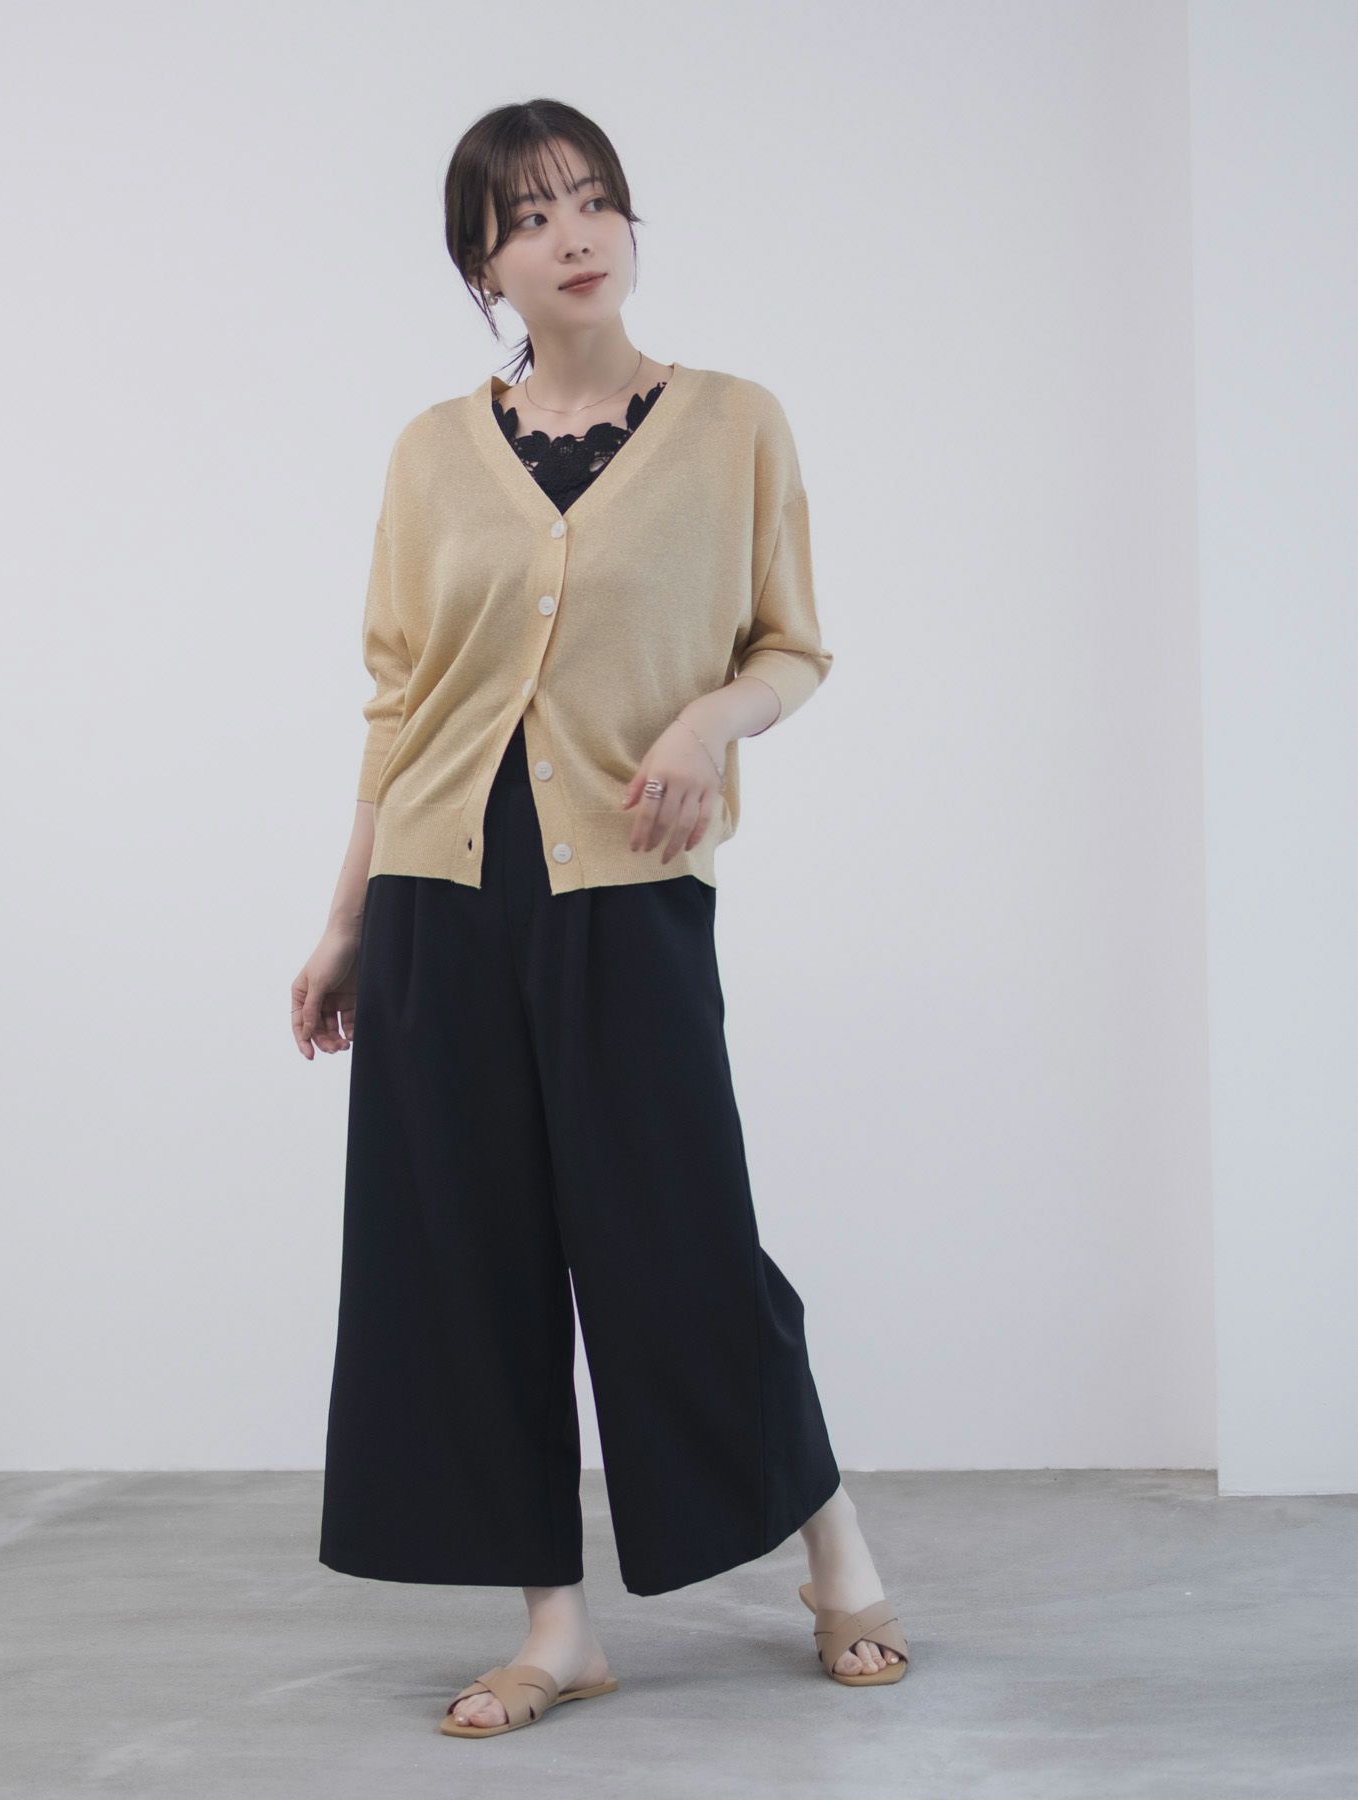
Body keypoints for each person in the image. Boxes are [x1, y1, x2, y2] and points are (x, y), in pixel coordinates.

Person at [291, 98, 910, 1738]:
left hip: (624, 890)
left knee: (680, 1241)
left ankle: (834, 1550)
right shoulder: (432, 453)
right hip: (437, 895)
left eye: (593, 200)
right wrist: (345, 920)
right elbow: (399, 701)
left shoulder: (732, 423)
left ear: (630, 225)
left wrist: (707, 725)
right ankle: (555, 1628)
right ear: (480, 266)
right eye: (528, 216)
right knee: (468, 1255)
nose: (572, 234)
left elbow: (791, 647)